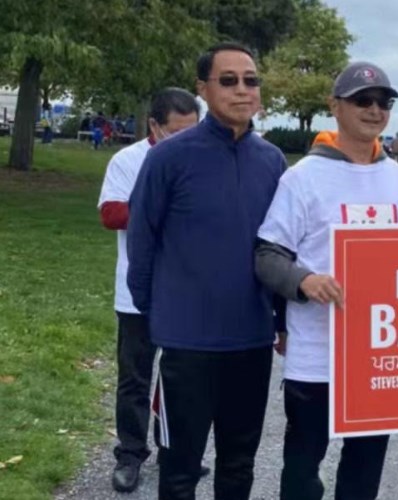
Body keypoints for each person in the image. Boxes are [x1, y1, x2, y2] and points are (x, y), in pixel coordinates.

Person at [255, 61, 398, 500]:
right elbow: (267, 253)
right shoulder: (302, 178)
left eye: (384, 102)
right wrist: (304, 280)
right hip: (317, 353)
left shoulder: (397, 178)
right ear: (335, 107)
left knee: (365, 464)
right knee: (302, 461)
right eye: (363, 101)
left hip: (379, 354)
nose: (375, 110)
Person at [127, 42, 286, 500]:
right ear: (203, 88)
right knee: (179, 470)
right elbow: (142, 245)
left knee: (239, 466)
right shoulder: (168, 158)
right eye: (229, 80)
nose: (242, 90)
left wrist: (280, 319)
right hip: (187, 346)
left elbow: (279, 248)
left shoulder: (272, 161)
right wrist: (161, 317)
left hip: (250, 341)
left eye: (251, 80)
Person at [97, 87, 202, 493]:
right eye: (175, 132)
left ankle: (174, 450)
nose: (184, 140)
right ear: (153, 125)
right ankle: (130, 453)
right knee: (135, 377)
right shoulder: (128, 160)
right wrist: (165, 208)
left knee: (183, 378)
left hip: (188, 289)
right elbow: (111, 213)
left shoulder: (201, 158)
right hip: (138, 289)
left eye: (191, 130)